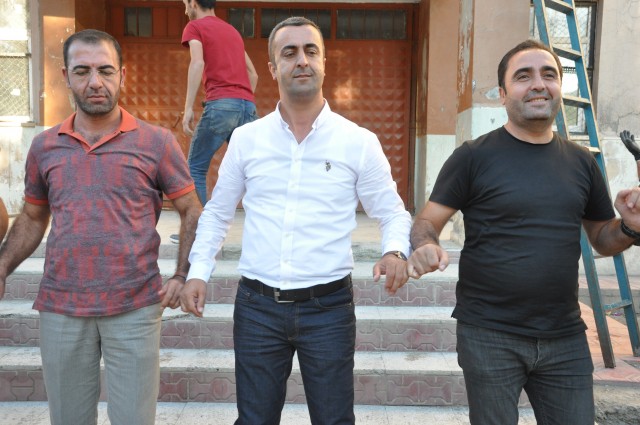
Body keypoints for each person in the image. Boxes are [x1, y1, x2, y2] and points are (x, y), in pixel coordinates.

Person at [180, 16, 412, 425]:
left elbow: (392, 211)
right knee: (254, 419)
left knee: (334, 419)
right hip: (257, 308)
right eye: (289, 53)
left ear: (324, 63)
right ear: (272, 68)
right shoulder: (247, 140)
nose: (301, 60)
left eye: (310, 51)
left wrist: (395, 251)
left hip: (329, 309)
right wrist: (197, 272)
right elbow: (216, 213)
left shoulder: (357, 142)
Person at [406, 39, 640, 425]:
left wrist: (630, 226)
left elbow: (602, 238)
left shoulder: (582, 162)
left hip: (565, 336)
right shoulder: (473, 157)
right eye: (523, 76)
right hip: (489, 334)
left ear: (559, 88)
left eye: (549, 75)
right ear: (502, 94)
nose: (538, 84)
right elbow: (426, 221)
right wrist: (424, 245)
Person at [0, 29, 201, 425]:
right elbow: (33, 216)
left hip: (135, 307)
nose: (95, 82)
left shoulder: (157, 142)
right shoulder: (44, 146)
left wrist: (182, 274)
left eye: (105, 70)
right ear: (66, 76)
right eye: (83, 71)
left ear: (122, 75)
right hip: (61, 307)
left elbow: (192, 209)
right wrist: (3, 265)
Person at [181, 0, 258, 206]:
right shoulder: (232, 31)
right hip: (247, 106)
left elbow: (197, 62)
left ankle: (199, 223)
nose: (185, 9)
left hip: (221, 104)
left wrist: (188, 108)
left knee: (195, 168)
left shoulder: (194, 27)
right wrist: (240, 98)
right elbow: (253, 74)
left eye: (185, 3)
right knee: (254, 171)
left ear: (193, 3)